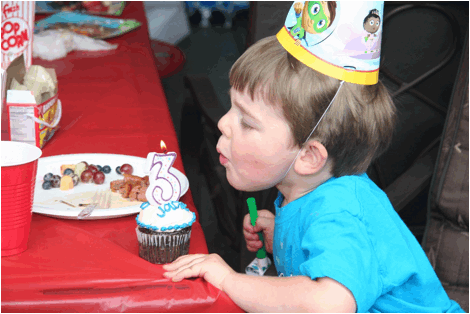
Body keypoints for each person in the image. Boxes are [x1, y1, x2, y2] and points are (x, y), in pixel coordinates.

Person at [163, 35, 464, 313]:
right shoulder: (310, 193)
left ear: (308, 157)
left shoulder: (339, 213)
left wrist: (228, 280)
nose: (224, 124)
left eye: (247, 122)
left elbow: (329, 304)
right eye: (232, 108)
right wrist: (283, 234)